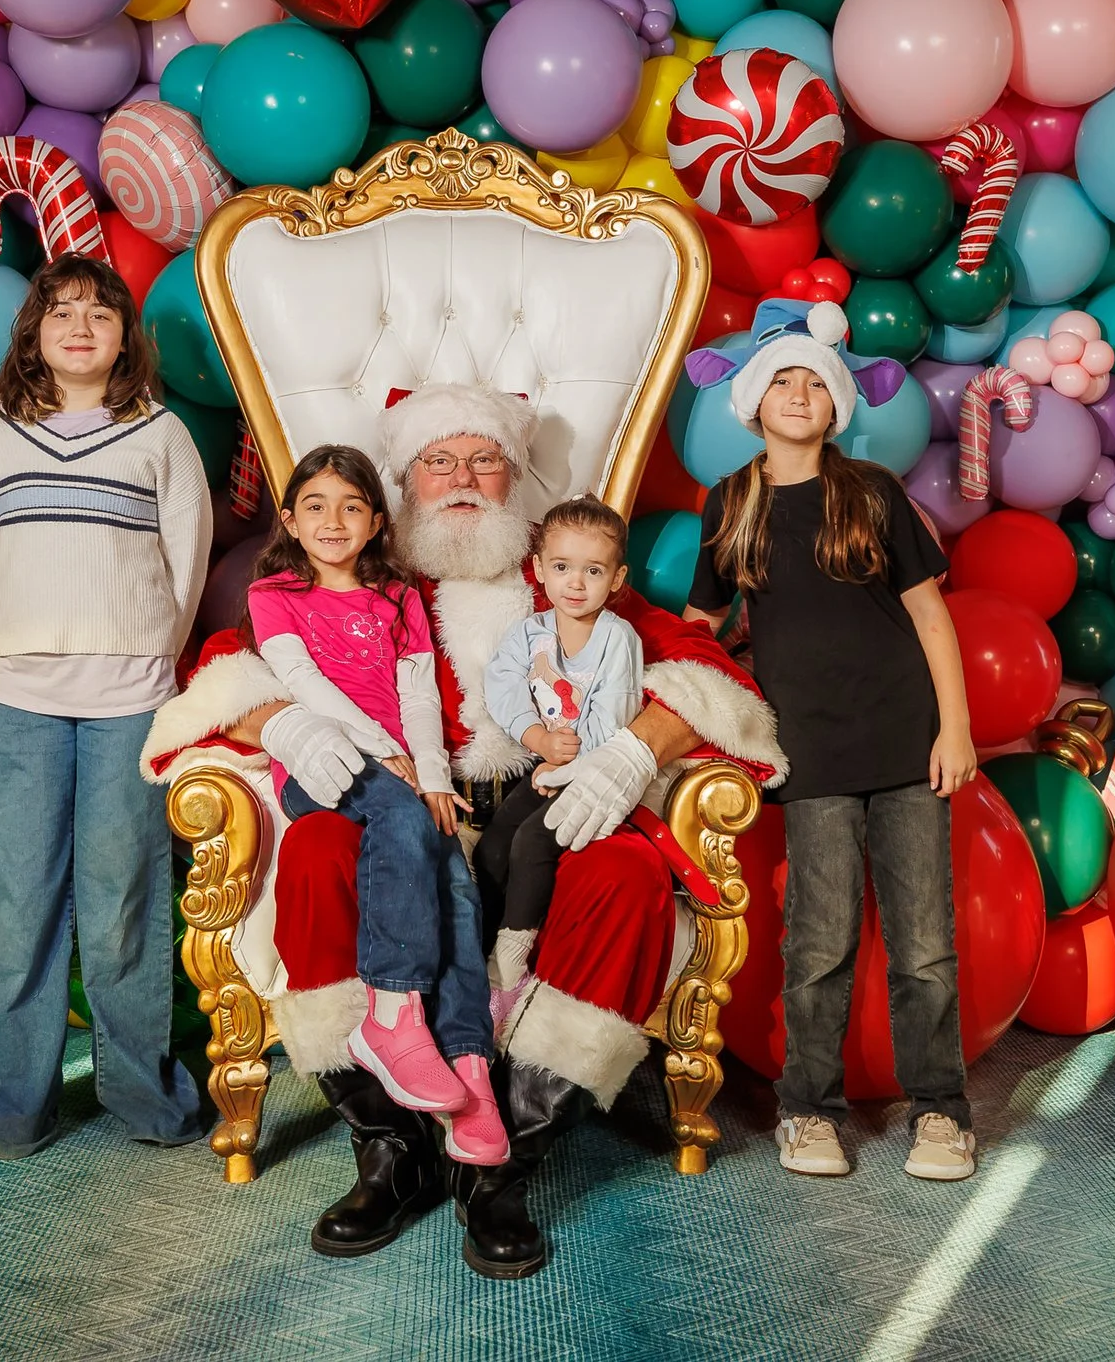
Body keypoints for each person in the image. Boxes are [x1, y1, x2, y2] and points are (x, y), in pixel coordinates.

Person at [143, 382, 787, 1279]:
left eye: (484, 459)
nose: (461, 479)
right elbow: (230, 660)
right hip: (402, 796)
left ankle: (503, 1159)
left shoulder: (564, 564)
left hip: (543, 796)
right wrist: (279, 721)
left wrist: (634, 751)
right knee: (322, 849)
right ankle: (390, 1145)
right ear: (402, 484)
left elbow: (702, 665)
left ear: (513, 474)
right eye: (437, 460)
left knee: (626, 876)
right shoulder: (367, 572)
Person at [681, 298, 982, 1184]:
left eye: (815, 383)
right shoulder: (731, 503)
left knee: (925, 945)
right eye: (782, 381)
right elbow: (701, 624)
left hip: (906, 743)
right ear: (752, 401)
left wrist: (956, 728)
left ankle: (941, 1111)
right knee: (819, 941)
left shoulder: (873, 493)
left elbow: (930, 617)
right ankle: (807, 1110)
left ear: (838, 404)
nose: (799, 394)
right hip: (807, 754)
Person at [0, 254, 213, 1160]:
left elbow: (186, 563)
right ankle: (21, 1097)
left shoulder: (161, 433)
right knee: (18, 899)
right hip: (16, 692)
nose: (81, 327)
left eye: (100, 313)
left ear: (126, 336)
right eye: (62, 313)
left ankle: (142, 1088)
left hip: (130, 692)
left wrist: (146, 650)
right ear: (35, 334)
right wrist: (10, 637)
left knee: (122, 892)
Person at [244, 443, 509, 1163]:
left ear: (377, 521)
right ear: (290, 521)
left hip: (401, 768)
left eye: (352, 507)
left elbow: (418, 697)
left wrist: (432, 777)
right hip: (323, 765)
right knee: (400, 813)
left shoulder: (398, 597)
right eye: (315, 506)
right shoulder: (274, 596)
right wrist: (382, 754)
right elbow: (305, 685)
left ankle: (469, 1064)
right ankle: (391, 1016)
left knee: (454, 878)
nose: (333, 521)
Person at [477, 495, 645, 1028]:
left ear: (616, 578)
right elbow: (502, 685)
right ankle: (478, 951)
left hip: (594, 776)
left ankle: (510, 968)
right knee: (495, 841)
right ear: (539, 569)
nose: (576, 583)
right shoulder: (529, 634)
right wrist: (537, 739)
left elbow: (614, 716)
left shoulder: (617, 639)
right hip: (546, 765)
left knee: (532, 841)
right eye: (562, 567)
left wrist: (564, 766)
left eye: (593, 571)